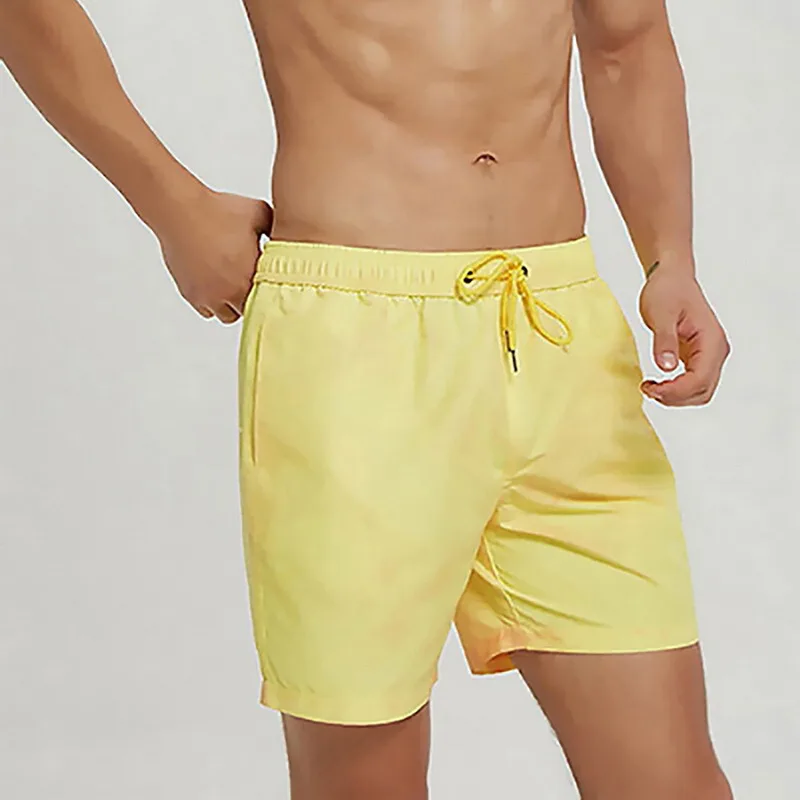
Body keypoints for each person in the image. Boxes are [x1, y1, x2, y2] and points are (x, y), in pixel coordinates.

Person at [1, 0, 733, 797]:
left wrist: (669, 256)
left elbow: (628, 39)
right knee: (362, 782)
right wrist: (172, 206)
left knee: (672, 783)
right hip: (354, 345)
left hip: (561, 333)